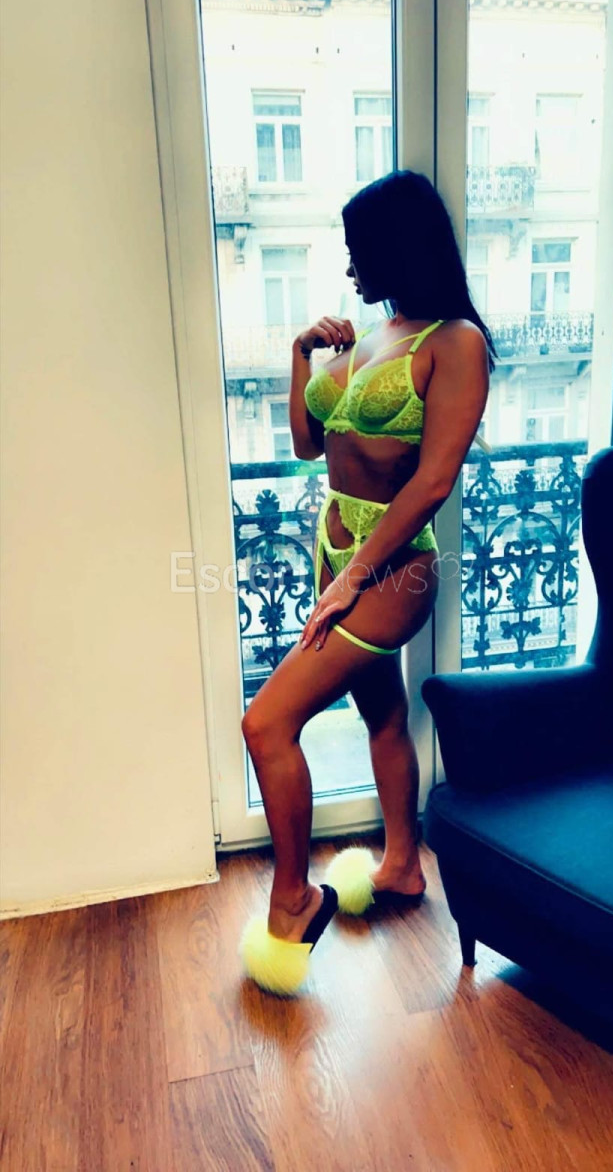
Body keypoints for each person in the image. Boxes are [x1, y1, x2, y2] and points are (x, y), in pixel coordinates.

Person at [240, 169, 494, 995]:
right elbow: (309, 445)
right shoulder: (375, 334)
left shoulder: (454, 343)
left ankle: (292, 902)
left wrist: (352, 577)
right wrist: (302, 357)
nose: (350, 265)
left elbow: (432, 480)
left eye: (359, 249)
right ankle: (401, 867)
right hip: (335, 546)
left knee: (265, 722)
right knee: (381, 714)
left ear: (398, 246)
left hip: (393, 564)